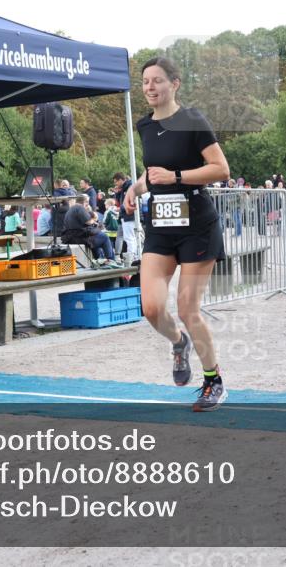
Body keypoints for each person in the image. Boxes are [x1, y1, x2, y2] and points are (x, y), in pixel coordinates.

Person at [122, 57, 230, 411]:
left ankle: (213, 381)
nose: (150, 88)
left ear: (175, 84)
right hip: (162, 226)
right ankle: (178, 342)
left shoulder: (192, 120)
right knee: (151, 307)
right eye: (145, 83)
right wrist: (135, 188)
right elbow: (154, 171)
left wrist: (177, 178)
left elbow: (220, 169)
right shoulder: (144, 125)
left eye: (157, 81)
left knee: (187, 308)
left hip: (197, 226)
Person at [63, 195, 118, 264]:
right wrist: (95, 219)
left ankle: (99, 260)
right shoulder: (79, 208)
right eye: (87, 202)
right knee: (105, 237)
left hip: (72, 236)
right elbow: (88, 221)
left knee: (98, 238)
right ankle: (111, 260)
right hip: (79, 237)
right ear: (85, 201)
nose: (88, 204)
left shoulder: (71, 209)